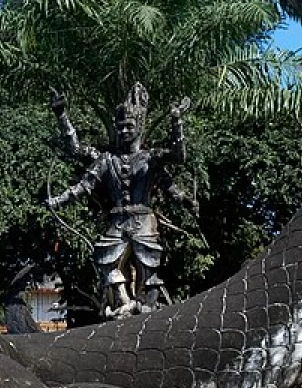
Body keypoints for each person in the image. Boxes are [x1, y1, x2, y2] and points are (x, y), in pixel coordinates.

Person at [46, 84, 193, 317]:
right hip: (116, 222)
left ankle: (148, 308)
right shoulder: (106, 159)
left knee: (150, 267)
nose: (124, 131)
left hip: (143, 222)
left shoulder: (149, 158)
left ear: (140, 127)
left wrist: (176, 122)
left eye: (129, 126)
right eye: (120, 127)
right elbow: (82, 178)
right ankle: (122, 304)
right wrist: (62, 116)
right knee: (107, 262)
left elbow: (178, 157)